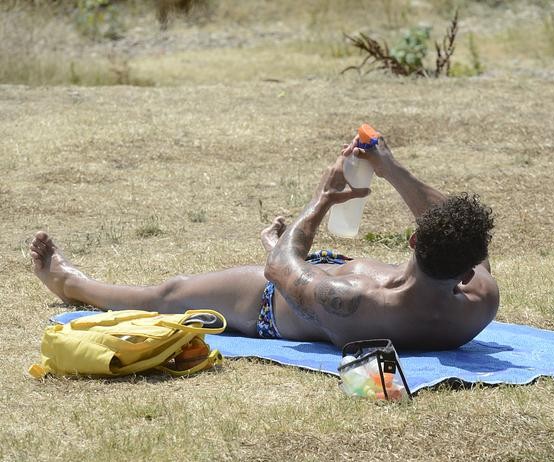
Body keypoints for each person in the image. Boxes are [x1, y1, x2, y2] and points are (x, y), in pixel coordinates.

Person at [30, 136, 499, 350]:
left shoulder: (356, 301)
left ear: (414, 238)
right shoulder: (479, 298)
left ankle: (71, 284)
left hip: (275, 303)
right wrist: (390, 168)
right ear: (471, 265)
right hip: (324, 276)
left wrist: (319, 202)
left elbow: (280, 267)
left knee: (170, 294)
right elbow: (447, 223)